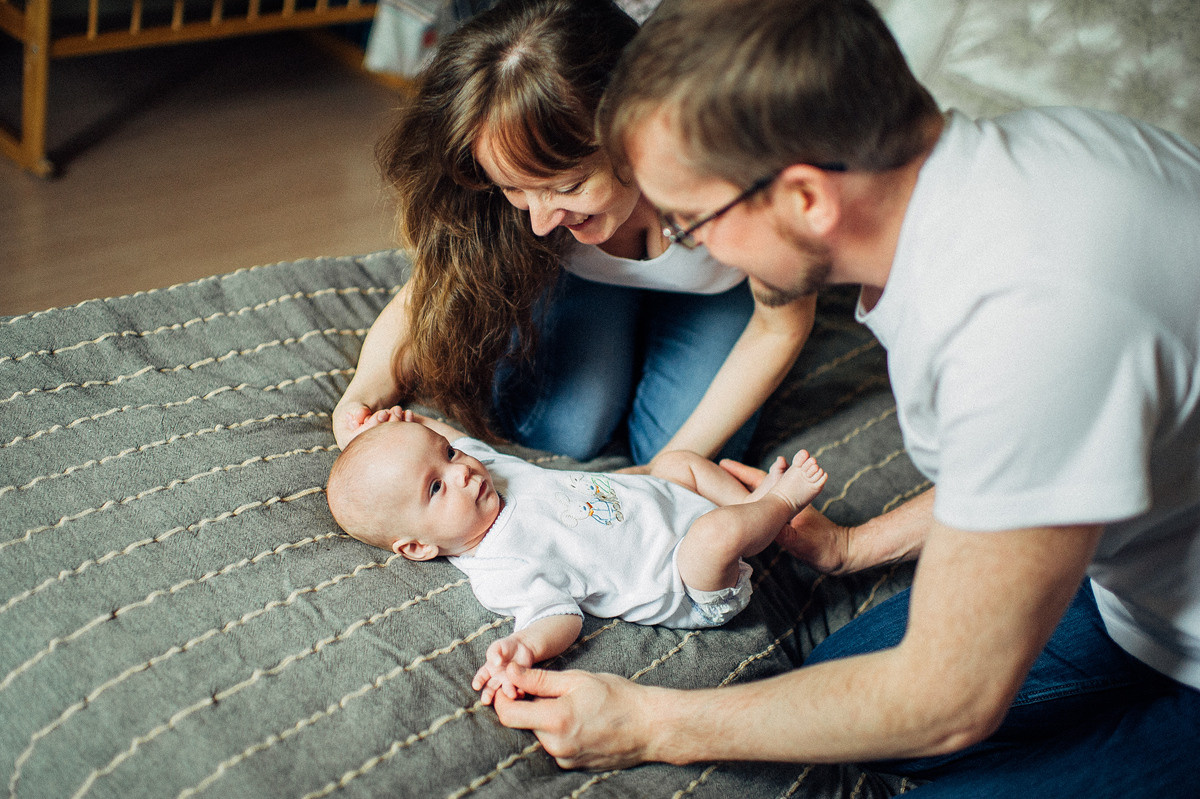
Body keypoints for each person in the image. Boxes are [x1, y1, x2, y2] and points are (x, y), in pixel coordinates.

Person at [487, 0, 1200, 793]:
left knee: (896, 723)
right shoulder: (1020, 165)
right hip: (1145, 564)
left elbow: (948, 698)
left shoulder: (1028, 322)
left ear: (805, 198)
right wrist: (856, 548)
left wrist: (653, 723)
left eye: (691, 223)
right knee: (841, 688)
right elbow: (1051, 449)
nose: (695, 248)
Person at [332, 0, 816, 469]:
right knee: (562, 431)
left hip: (717, 291)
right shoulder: (509, 186)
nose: (540, 221)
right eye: (514, 189)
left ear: (633, 129)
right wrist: (362, 394)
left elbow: (782, 326)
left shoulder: (735, 167)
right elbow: (437, 282)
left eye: (569, 186)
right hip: (582, 280)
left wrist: (665, 468)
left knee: (691, 457)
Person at [325, 406, 828, 705]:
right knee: (716, 536)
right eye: (435, 487)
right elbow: (558, 615)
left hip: (667, 499)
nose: (460, 472)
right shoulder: (499, 566)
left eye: (450, 457)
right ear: (417, 547)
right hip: (687, 579)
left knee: (679, 462)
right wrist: (524, 648)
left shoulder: (488, 471)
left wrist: (403, 423)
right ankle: (777, 507)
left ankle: (750, 511)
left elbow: (446, 438)